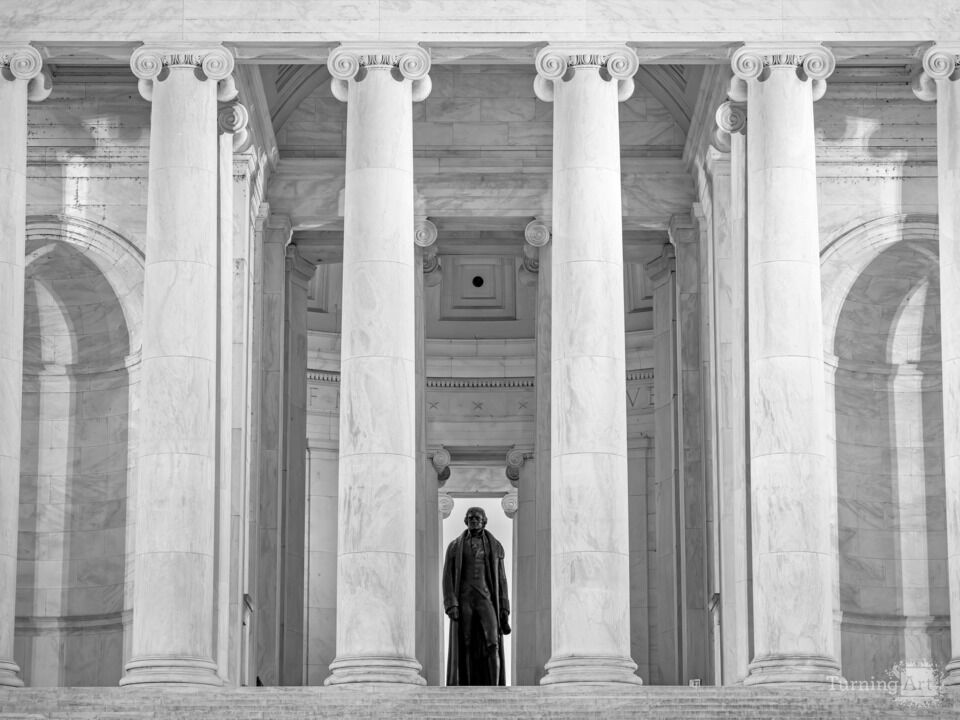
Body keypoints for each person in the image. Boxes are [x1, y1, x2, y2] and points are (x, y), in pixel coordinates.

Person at [442, 506, 511, 686]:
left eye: (477, 519)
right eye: (470, 518)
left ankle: (496, 687)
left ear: (484, 521)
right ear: (466, 521)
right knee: (465, 643)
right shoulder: (454, 546)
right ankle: (464, 683)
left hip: (486, 598)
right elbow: (447, 576)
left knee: (493, 641)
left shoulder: (495, 546)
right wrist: (451, 604)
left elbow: (502, 579)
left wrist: (504, 608)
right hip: (464, 599)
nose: (474, 521)